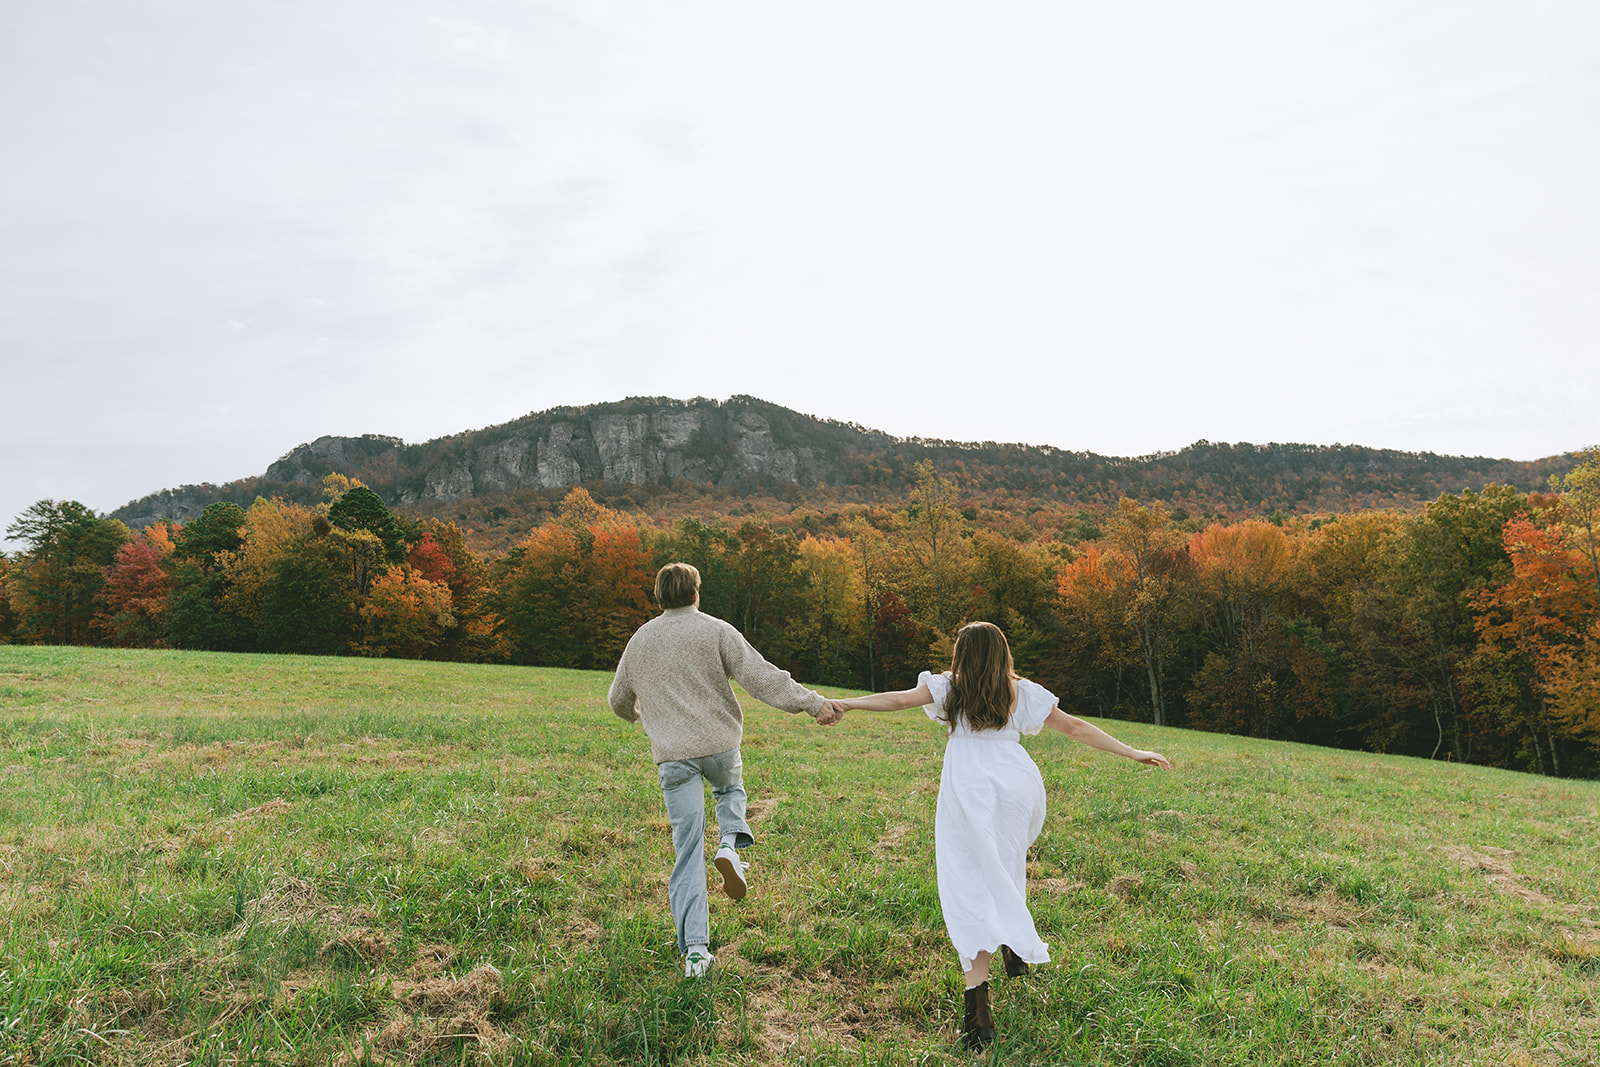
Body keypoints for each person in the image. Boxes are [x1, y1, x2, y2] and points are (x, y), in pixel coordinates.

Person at [832, 621, 1170, 1050]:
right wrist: (1133, 750)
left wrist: (847, 703)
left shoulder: (949, 689)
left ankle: (979, 1011)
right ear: (1003, 654)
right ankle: (1011, 938)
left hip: (969, 789)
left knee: (970, 883)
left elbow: (898, 699)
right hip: (1014, 787)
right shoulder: (1020, 692)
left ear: (961, 654)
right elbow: (1076, 727)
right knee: (1005, 870)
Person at [608, 562, 847, 978]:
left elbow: (617, 699)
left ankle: (696, 953)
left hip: (673, 757)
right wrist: (812, 703)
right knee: (730, 791)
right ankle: (730, 845)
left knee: (685, 853)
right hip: (719, 748)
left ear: (659, 596)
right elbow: (762, 678)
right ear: (696, 593)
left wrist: (642, 716)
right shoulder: (717, 630)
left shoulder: (640, 639)